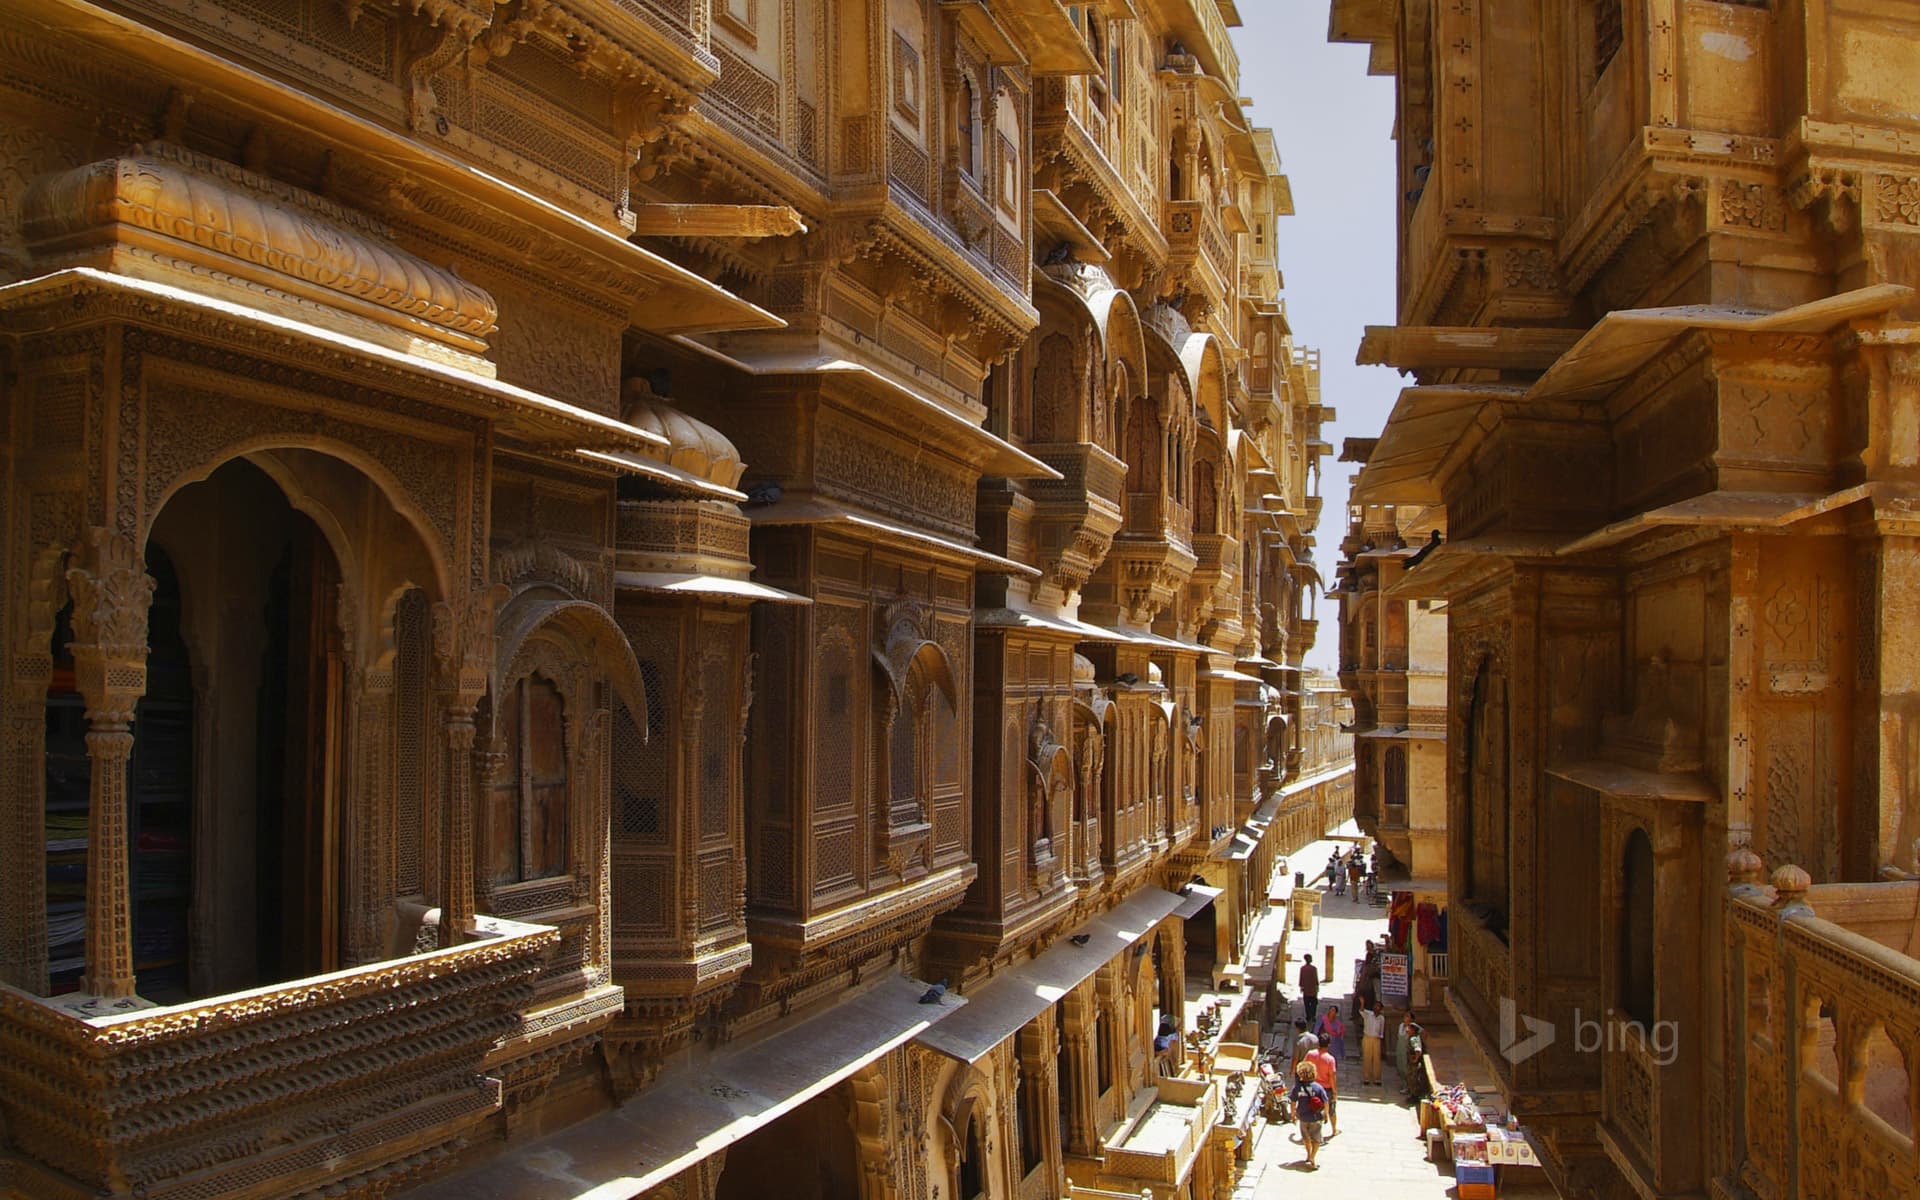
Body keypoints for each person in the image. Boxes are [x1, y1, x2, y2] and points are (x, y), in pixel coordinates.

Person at [1290, 1060, 1330, 1169]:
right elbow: (1326, 1102)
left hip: (1303, 1117)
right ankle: (1313, 1156)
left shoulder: (1297, 1087)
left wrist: (1293, 1114)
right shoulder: (1318, 1087)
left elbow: (1293, 1102)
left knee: (1306, 1138)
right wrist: (1326, 1114)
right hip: (1316, 1117)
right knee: (1316, 1139)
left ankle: (1308, 1155)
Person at [1307, 1035, 1340, 1138]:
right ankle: (1334, 1130)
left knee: (1311, 1108)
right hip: (1326, 1088)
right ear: (1329, 1045)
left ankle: (1309, 1131)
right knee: (1331, 1110)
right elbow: (1332, 1077)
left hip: (1312, 1085)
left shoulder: (1310, 1054)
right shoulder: (1330, 1059)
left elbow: (1304, 1066)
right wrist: (1335, 1092)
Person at [1361, 1001, 1386, 1085]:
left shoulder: (1381, 1018)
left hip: (1376, 1039)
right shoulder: (1368, 1014)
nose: (1376, 1008)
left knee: (1377, 1059)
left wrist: (1381, 1041)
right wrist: (1362, 1002)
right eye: (1375, 1006)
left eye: (1378, 1006)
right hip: (1367, 1037)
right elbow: (1361, 1010)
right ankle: (1366, 1078)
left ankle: (1377, 1078)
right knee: (1367, 1058)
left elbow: (1381, 1031)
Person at [1298, 953, 1320, 1024]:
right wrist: (1317, 987)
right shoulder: (1314, 969)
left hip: (1306, 989)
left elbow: (1301, 979)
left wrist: (1301, 986)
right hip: (1313, 989)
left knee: (1307, 1003)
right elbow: (1316, 979)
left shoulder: (1302, 969)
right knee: (1314, 1004)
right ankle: (1313, 1016)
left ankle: (1308, 1016)